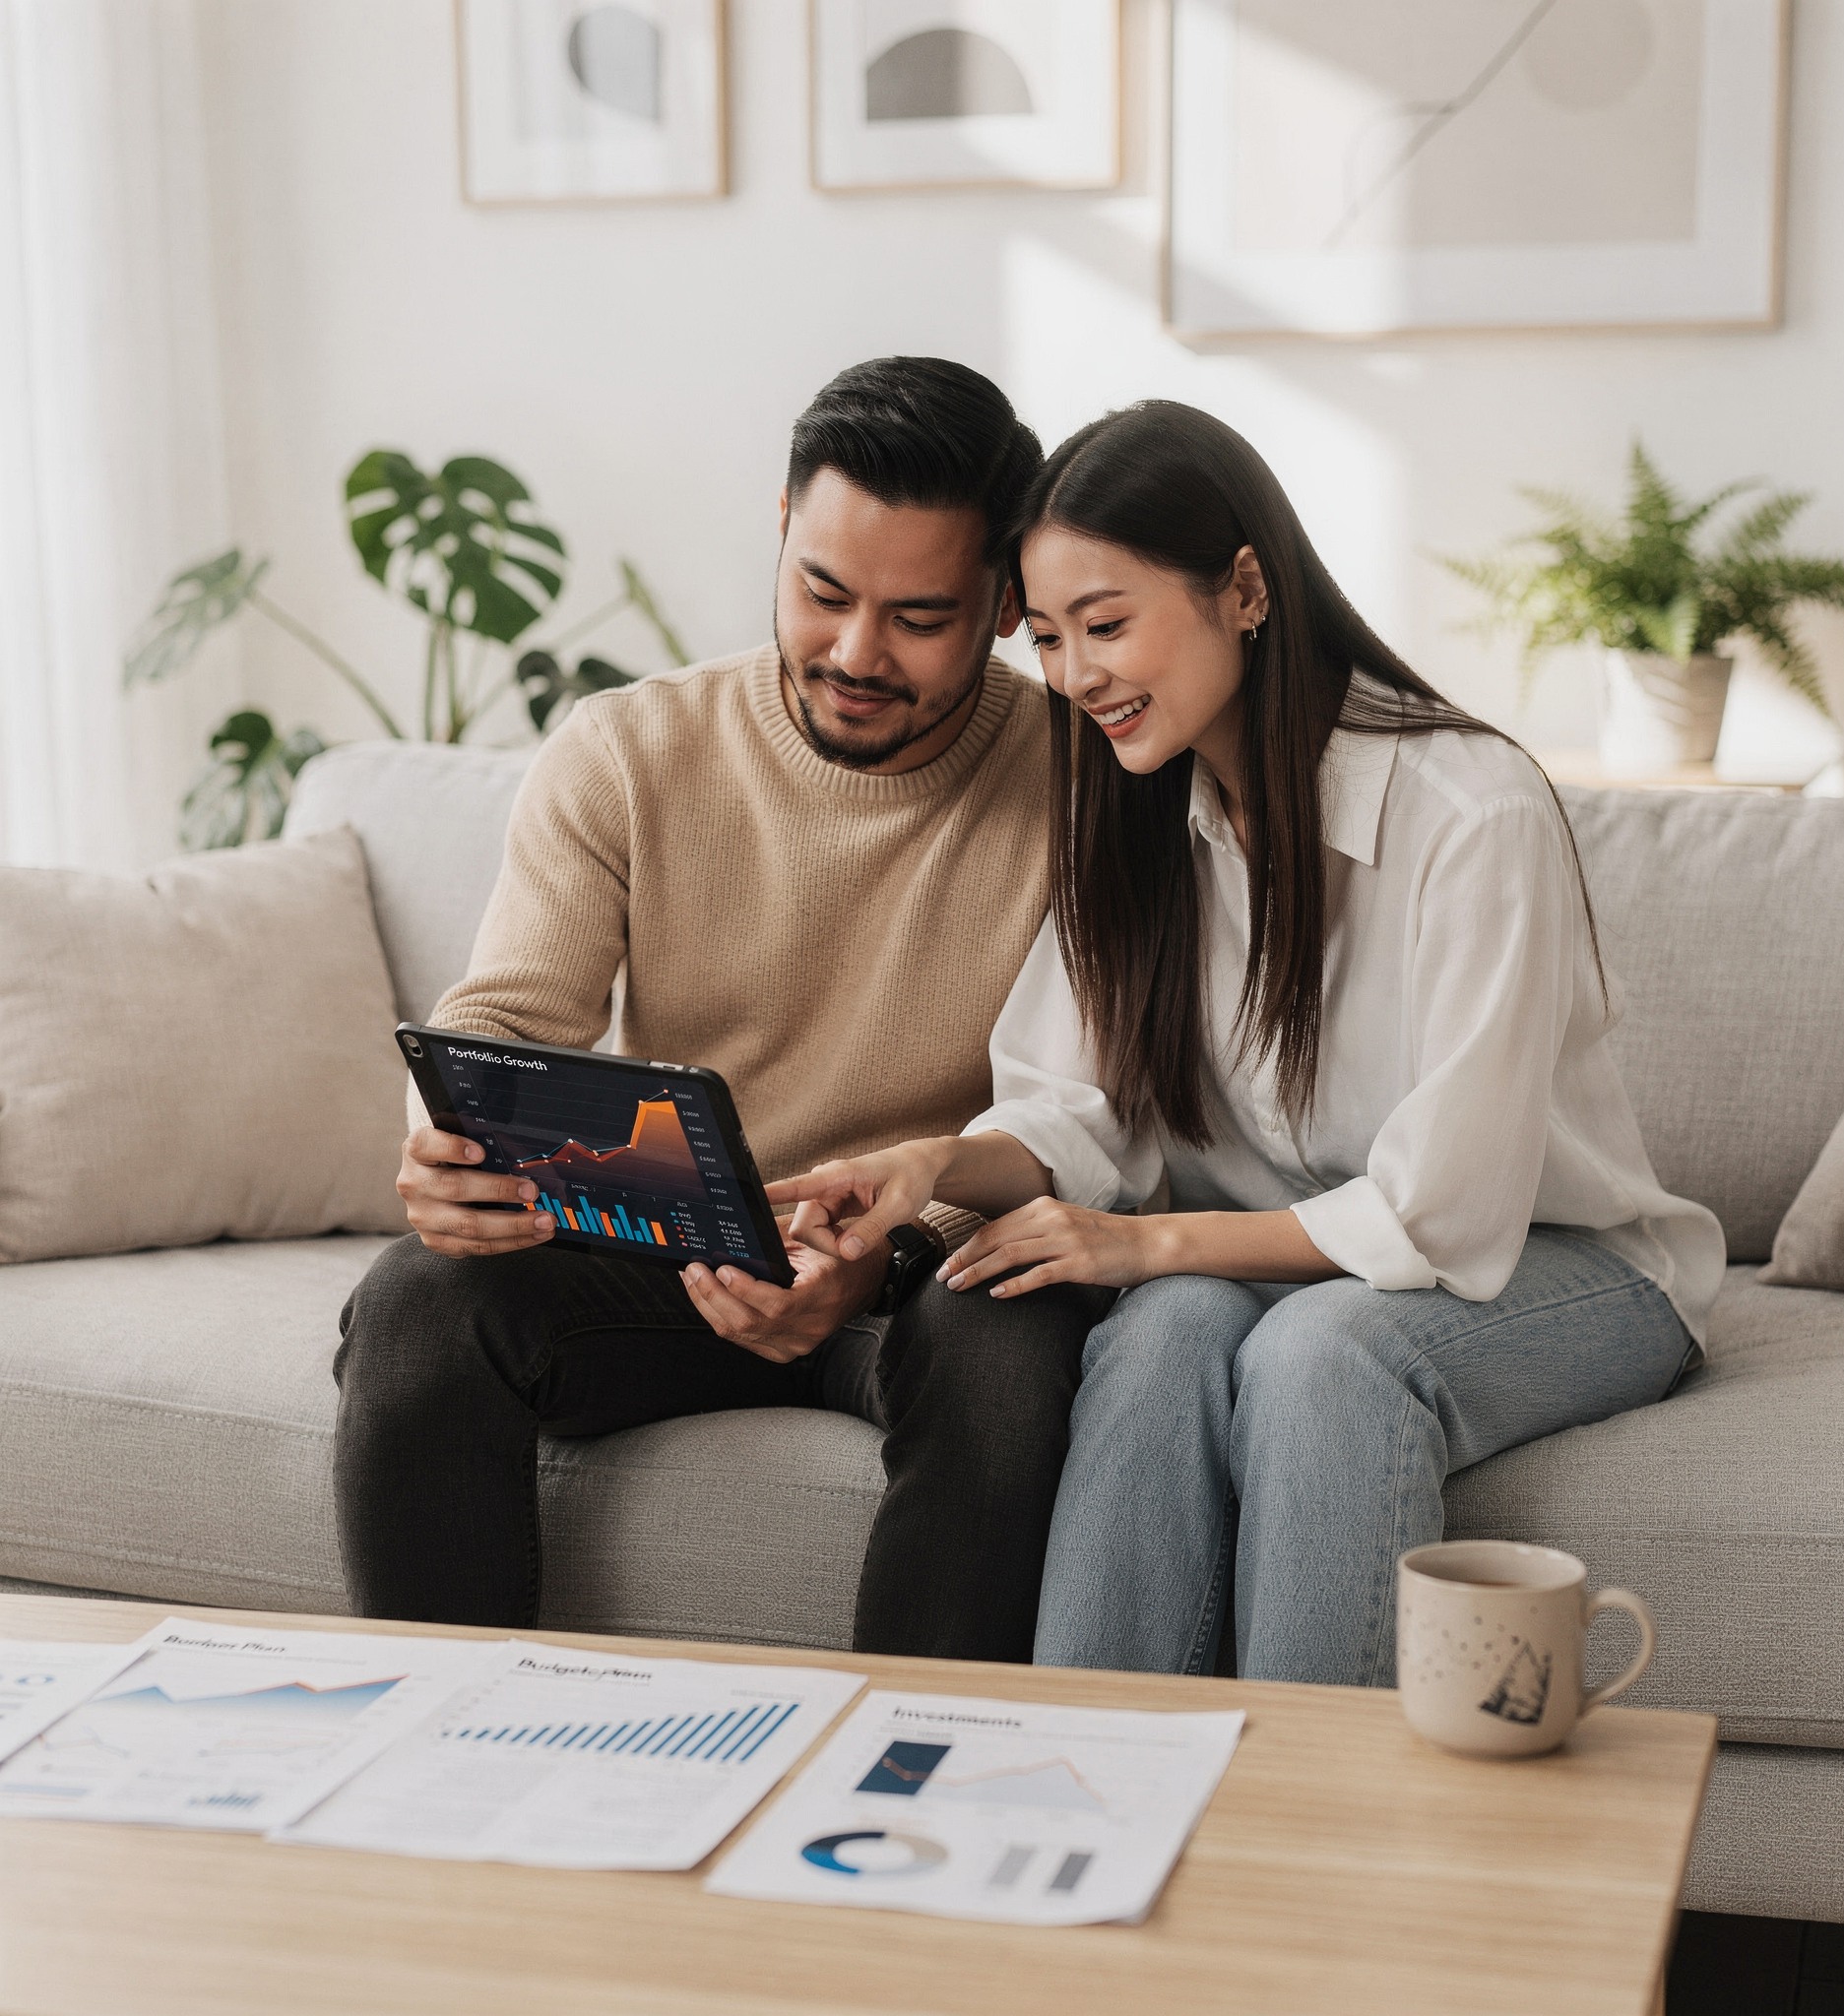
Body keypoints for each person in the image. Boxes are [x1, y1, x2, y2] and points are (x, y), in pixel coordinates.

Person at [769, 401, 1726, 1686]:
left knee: (1320, 1356)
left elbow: (1444, 1213)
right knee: (1157, 1341)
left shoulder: (1470, 811)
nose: (1075, 675)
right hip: (1297, 1263)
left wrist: (1147, 1244)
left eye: (1107, 626)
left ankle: (1319, 1850)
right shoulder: (1134, 807)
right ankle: (1082, 1794)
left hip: (1566, 1271)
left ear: (1245, 589)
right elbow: (1078, 1116)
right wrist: (927, 1168)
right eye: (1049, 638)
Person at [332, 357, 1109, 1661]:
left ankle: (912, 1787)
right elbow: (505, 1020)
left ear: (1004, 608)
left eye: (919, 617)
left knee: (1016, 1343)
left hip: (927, 1269)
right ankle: (439, 1771)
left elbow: (1095, 1113)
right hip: (670, 1258)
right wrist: (447, 1143)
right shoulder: (629, 750)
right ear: (783, 529)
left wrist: (888, 1236)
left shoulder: (1091, 786)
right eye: (823, 592)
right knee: (420, 1303)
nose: (857, 654)